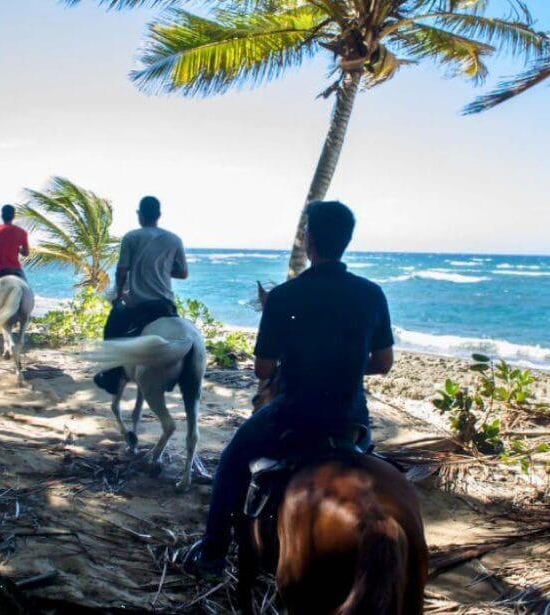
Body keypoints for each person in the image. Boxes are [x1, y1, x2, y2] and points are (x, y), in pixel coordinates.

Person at [186, 200, 395, 578]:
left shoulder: (284, 297)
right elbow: (382, 363)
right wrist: (343, 365)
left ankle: (213, 555)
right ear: (346, 240)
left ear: (309, 241)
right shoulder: (372, 293)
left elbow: (263, 369)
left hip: (292, 416)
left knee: (232, 462)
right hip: (350, 421)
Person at [93, 196, 189, 394]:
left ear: (140, 215)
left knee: (111, 331)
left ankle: (111, 378)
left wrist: (118, 296)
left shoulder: (131, 237)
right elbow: (183, 273)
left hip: (137, 304)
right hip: (165, 304)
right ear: (159, 215)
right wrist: (161, 269)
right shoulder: (174, 239)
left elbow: (121, 271)